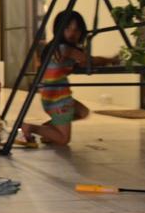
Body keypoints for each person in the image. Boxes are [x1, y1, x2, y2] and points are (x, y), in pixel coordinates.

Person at [21, 11, 119, 146]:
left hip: (52, 95)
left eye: (77, 29)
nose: (72, 33)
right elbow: (89, 60)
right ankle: (31, 128)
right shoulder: (64, 48)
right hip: (58, 98)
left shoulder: (56, 48)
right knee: (64, 139)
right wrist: (111, 60)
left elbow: (80, 62)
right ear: (59, 29)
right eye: (67, 29)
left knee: (82, 112)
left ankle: (49, 132)